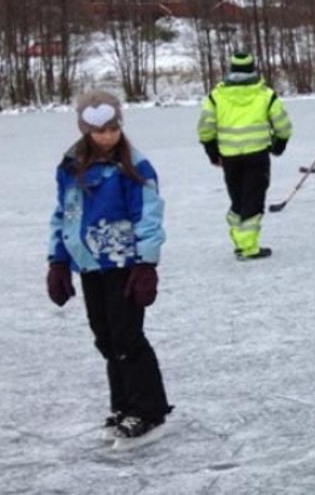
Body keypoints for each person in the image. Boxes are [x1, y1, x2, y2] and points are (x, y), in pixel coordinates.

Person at [46, 90, 172, 444]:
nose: (107, 136)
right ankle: (124, 404)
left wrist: (146, 263)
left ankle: (149, 409)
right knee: (105, 337)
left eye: (113, 128)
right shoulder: (72, 166)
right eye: (99, 131)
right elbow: (64, 214)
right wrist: (58, 260)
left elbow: (148, 215)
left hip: (124, 263)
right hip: (90, 264)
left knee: (127, 336)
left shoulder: (133, 166)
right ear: (86, 130)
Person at [196, 51, 292, 260]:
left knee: (238, 198)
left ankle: (240, 239)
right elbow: (283, 125)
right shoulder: (265, 94)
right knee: (253, 200)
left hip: (230, 157)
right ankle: (248, 247)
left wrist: (212, 152)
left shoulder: (216, 96)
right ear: (252, 69)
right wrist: (279, 145)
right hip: (257, 156)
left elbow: (205, 127)